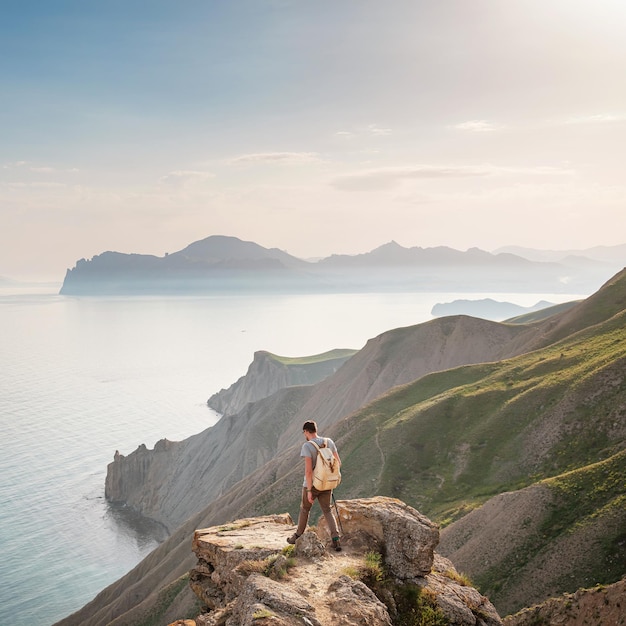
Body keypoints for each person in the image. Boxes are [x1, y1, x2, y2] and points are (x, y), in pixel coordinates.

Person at [287, 420, 342, 551]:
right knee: (327, 510)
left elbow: (308, 471)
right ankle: (336, 539)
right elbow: (338, 463)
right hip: (327, 484)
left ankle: (297, 536)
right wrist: (327, 478)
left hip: (312, 485)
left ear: (306, 431)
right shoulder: (329, 442)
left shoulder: (307, 446)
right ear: (316, 430)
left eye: (304, 432)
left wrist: (310, 490)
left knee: (305, 509)